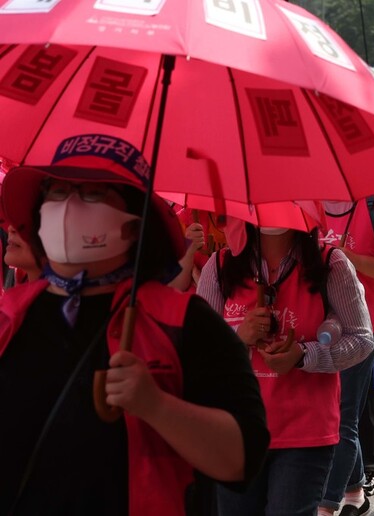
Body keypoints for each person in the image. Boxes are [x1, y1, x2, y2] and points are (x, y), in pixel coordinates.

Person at [0, 134, 270, 515]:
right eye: (56, 191)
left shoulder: (187, 323)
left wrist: (156, 405)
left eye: (92, 194)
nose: (68, 207)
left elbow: (242, 459)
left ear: (133, 225)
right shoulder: (8, 319)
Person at [197, 219, 374, 516]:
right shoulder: (219, 266)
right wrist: (239, 337)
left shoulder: (331, 264)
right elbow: (197, 349)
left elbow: (361, 340)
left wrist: (305, 355)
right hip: (234, 433)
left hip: (305, 433)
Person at [320, 193, 374, 513]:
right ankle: (355, 490)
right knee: (332, 412)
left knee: (343, 415)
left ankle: (327, 504)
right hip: (316, 326)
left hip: (364, 327)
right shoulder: (306, 203)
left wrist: (350, 257)